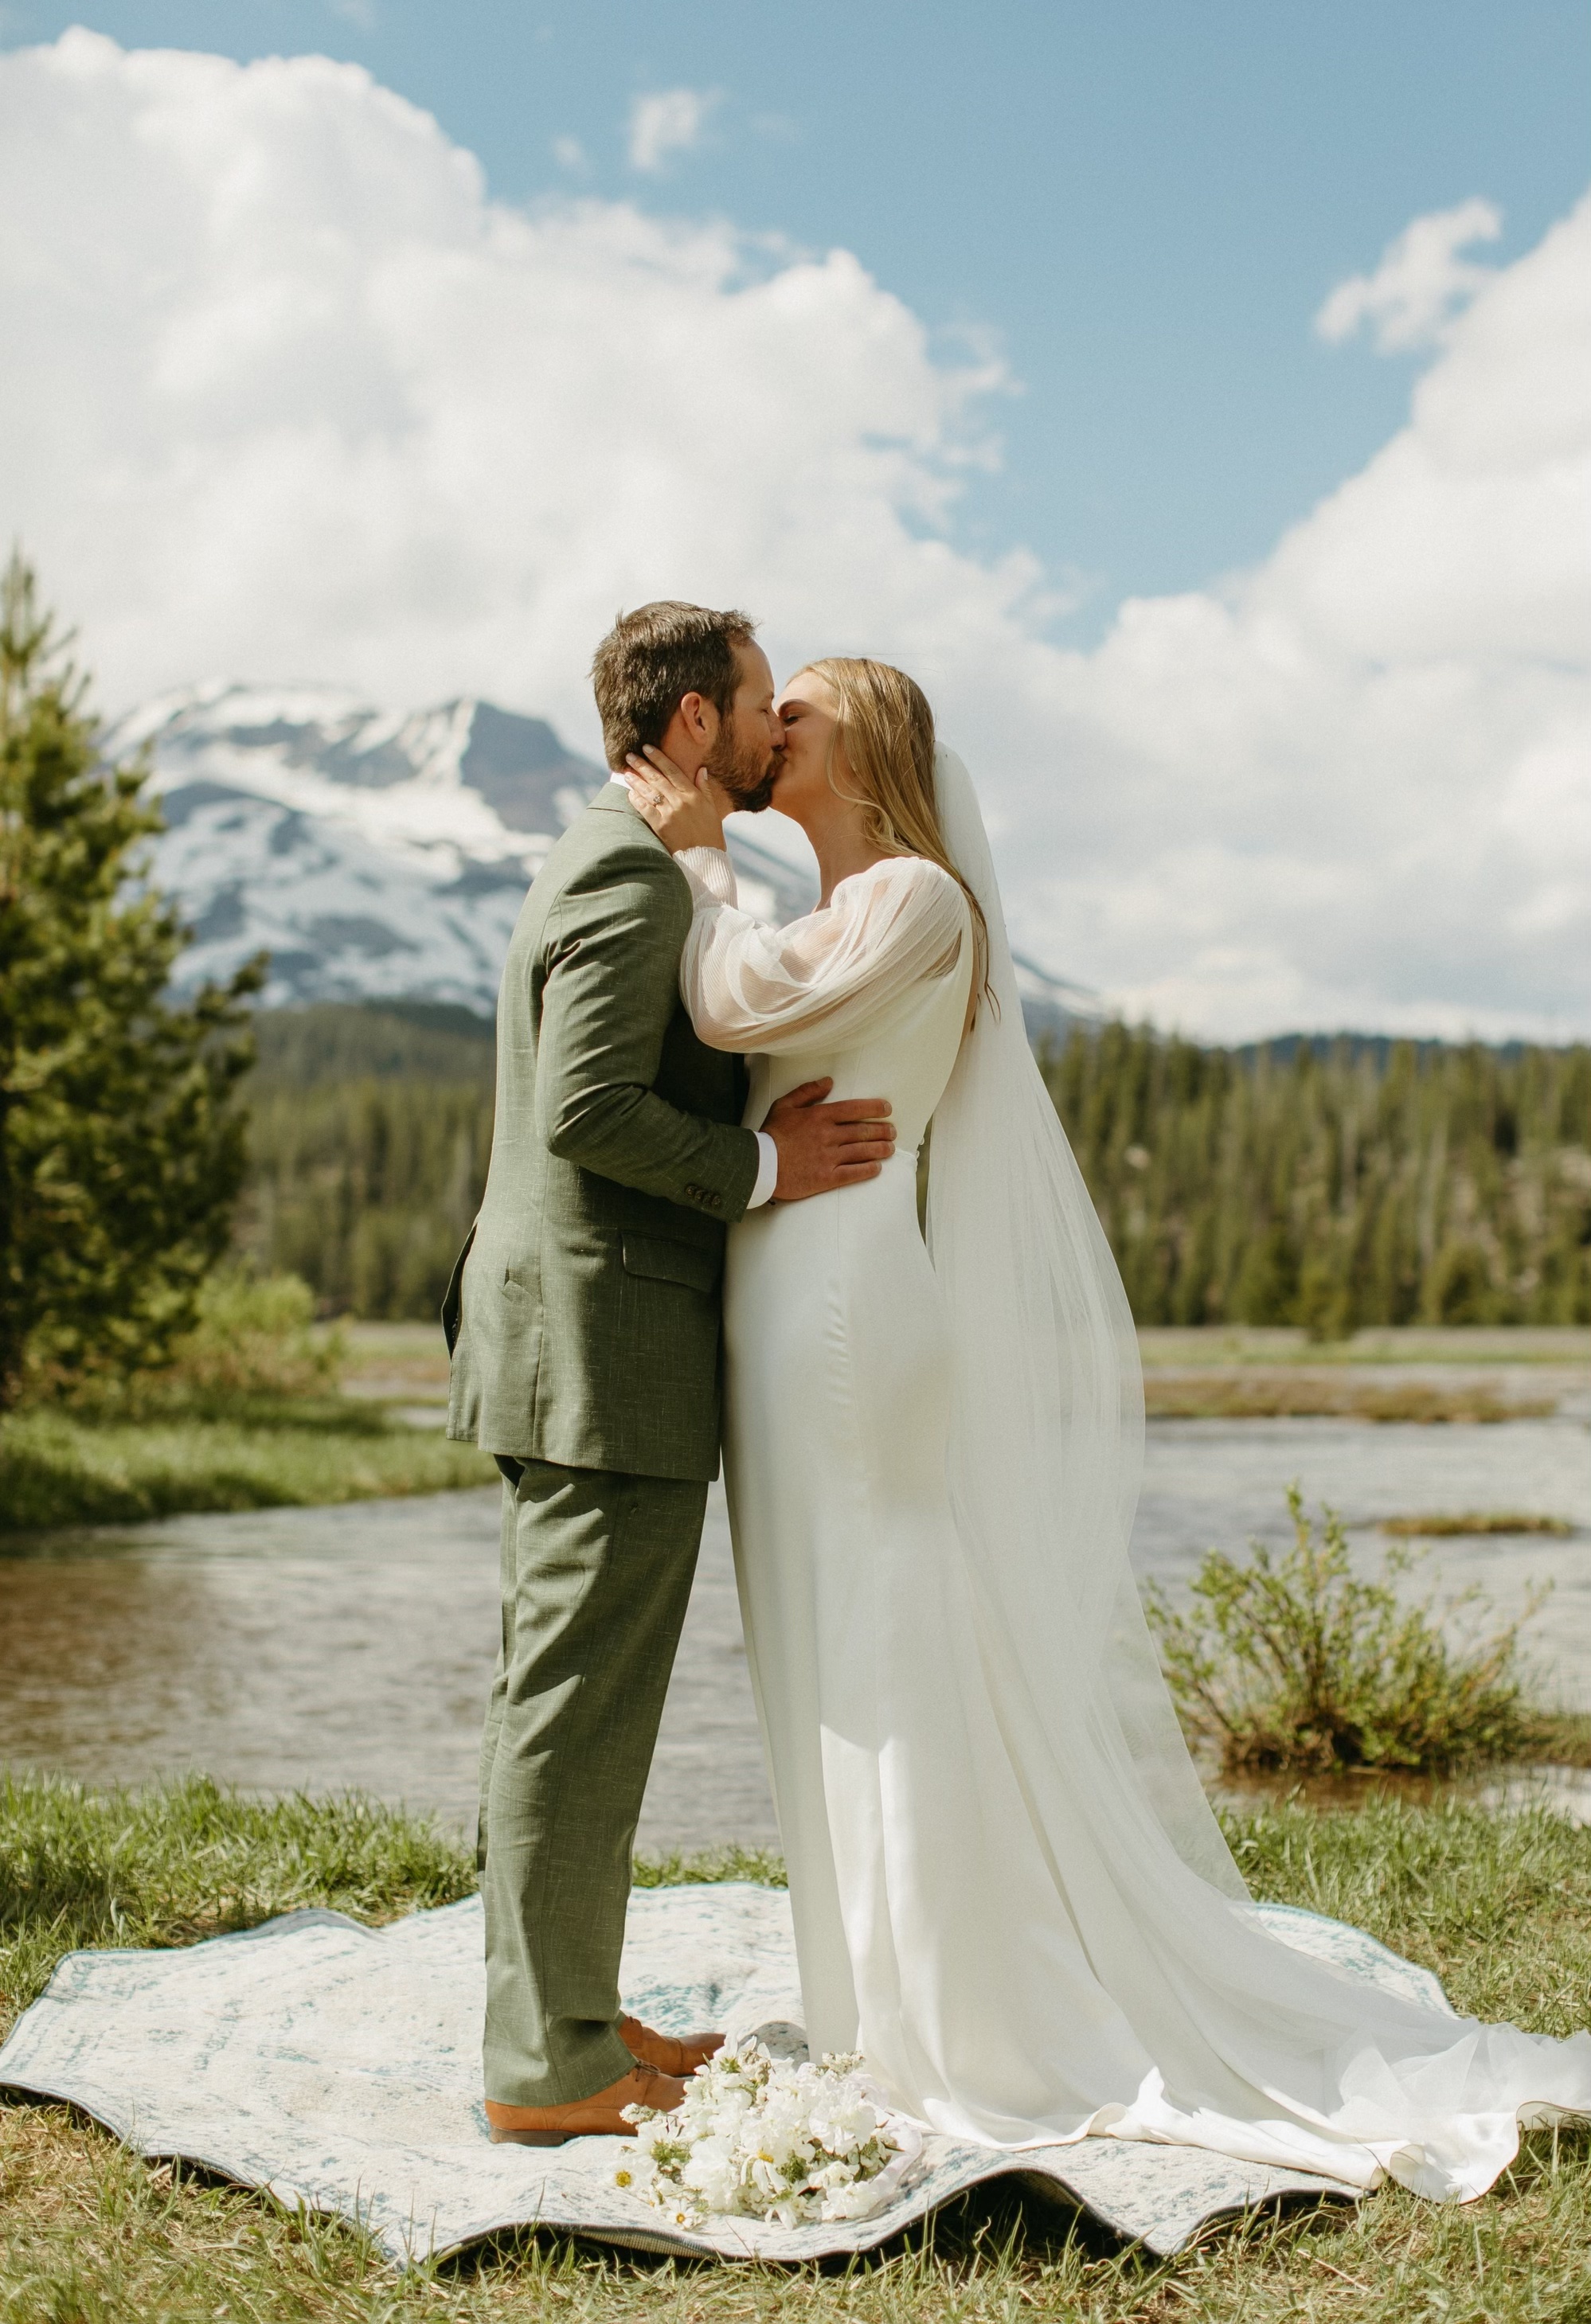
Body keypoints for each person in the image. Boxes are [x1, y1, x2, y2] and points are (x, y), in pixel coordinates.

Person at [622, 654, 1591, 2202]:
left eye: (799, 708)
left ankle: (955, 2011)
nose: (769, 726)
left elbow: (734, 1000)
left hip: (851, 1309)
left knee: (882, 1635)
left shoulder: (916, 899)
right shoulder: (838, 906)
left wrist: (695, 857)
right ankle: (876, 1984)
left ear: (868, 745)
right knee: (823, 1641)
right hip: (787, 1300)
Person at [443, 604, 897, 2147]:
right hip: (603, 1342)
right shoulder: (630, 875)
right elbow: (583, 1110)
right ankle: (551, 2064)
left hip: (579, 1337)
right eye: (762, 702)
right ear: (696, 720)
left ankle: (564, 2011)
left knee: (555, 1698)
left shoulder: (632, 858)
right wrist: (767, 1163)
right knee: (576, 1709)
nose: (776, 730)